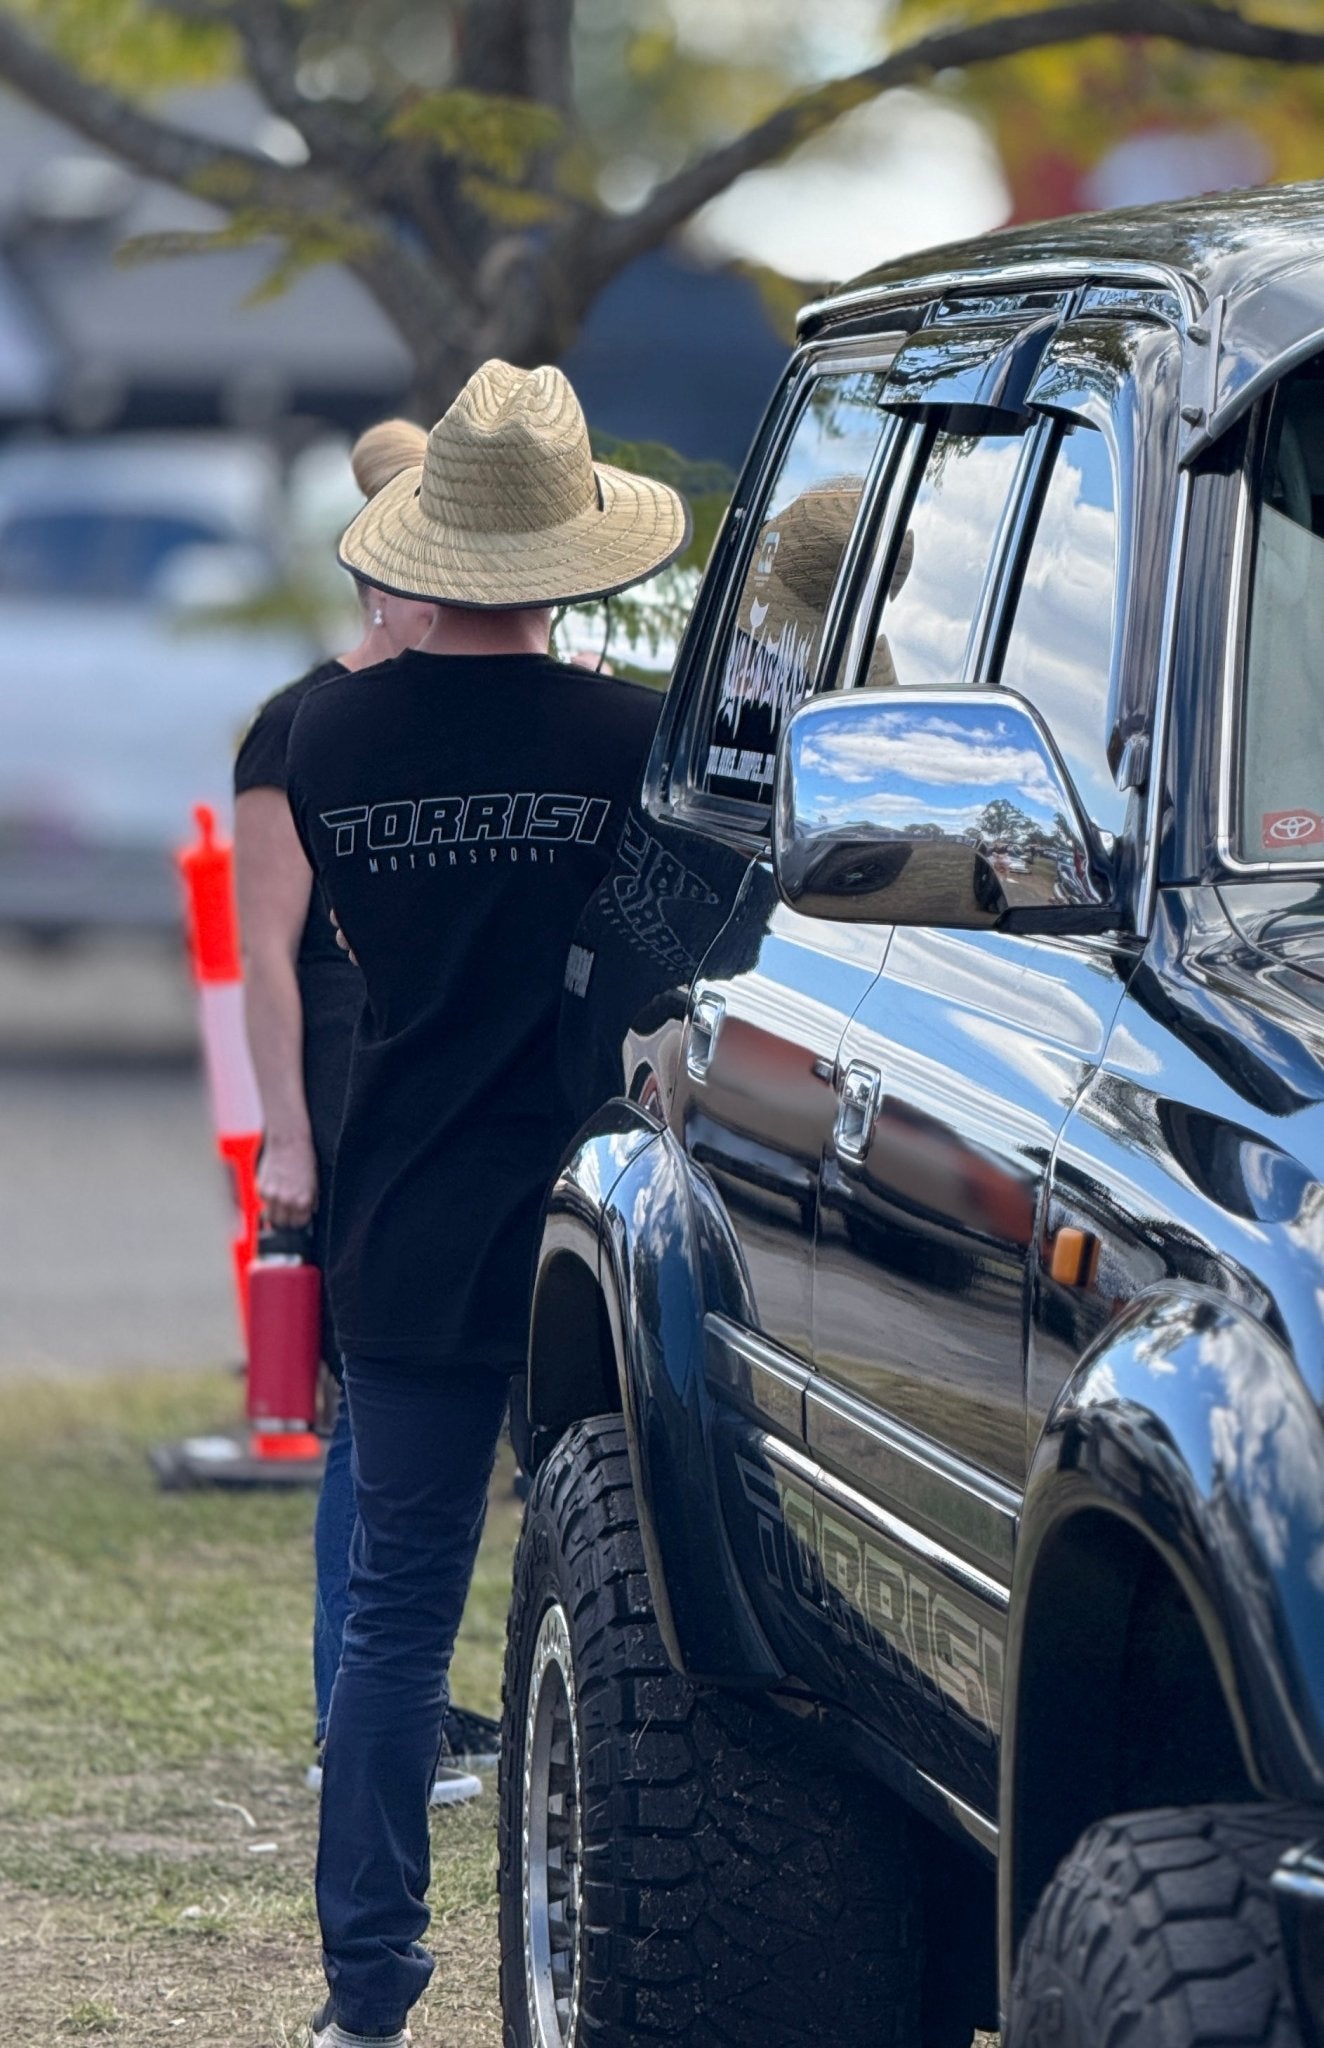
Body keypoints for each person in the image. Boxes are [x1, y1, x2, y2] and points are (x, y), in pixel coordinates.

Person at [284, 359, 689, 2048]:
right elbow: (666, 955)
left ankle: (365, 1994)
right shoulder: (626, 739)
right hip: (593, 1224)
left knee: (395, 1612)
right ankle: (611, 1947)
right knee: (624, 1606)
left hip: (402, 1205)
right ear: (571, 544)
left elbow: (370, 956)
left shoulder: (329, 734)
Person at [232, 420, 501, 1809]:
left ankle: (402, 1699)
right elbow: (265, 949)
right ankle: (360, 1706)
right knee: (363, 1405)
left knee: (417, 1408)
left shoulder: (457, 713)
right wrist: (284, 1132)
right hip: (340, 1086)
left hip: (430, 1082)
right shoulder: (298, 725)